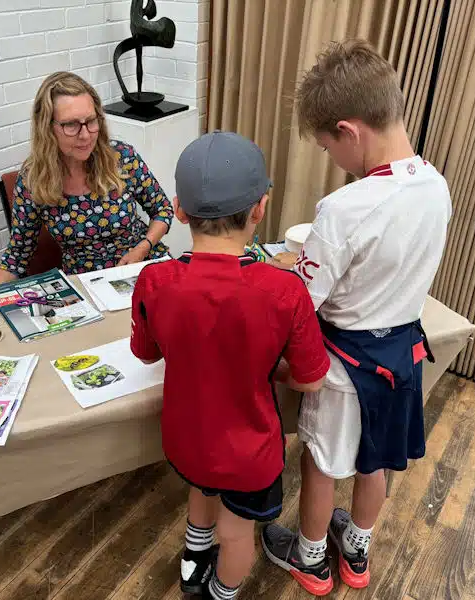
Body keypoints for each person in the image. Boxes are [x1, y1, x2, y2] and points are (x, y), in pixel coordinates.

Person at [261, 39, 451, 595]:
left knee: (321, 462)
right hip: (402, 357)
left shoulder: (345, 207)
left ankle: (312, 557)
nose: (333, 160)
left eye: (327, 148)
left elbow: (303, 299)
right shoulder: (435, 187)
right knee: (376, 462)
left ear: (349, 130)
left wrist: (287, 270)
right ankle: (358, 553)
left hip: (345, 366)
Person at [130, 131, 330, 600]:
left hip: (186, 438)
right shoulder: (284, 290)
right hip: (247, 453)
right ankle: (220, 593)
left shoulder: (154, 279)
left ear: (179, 210)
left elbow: (146, 353)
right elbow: (312, 378)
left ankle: (191, 567)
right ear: (260, 208)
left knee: (200, 491)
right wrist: (271, 368)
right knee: (237, 534)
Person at [0, 71, 173, 282]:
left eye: (91, 121)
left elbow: (163, 210)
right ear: (47, 127)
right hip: (88, 286)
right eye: (71, 125)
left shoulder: (122, 158)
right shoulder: (33, 181)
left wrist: (143, 248)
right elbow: (16, 258)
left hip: (141, 266)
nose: (86, 135)